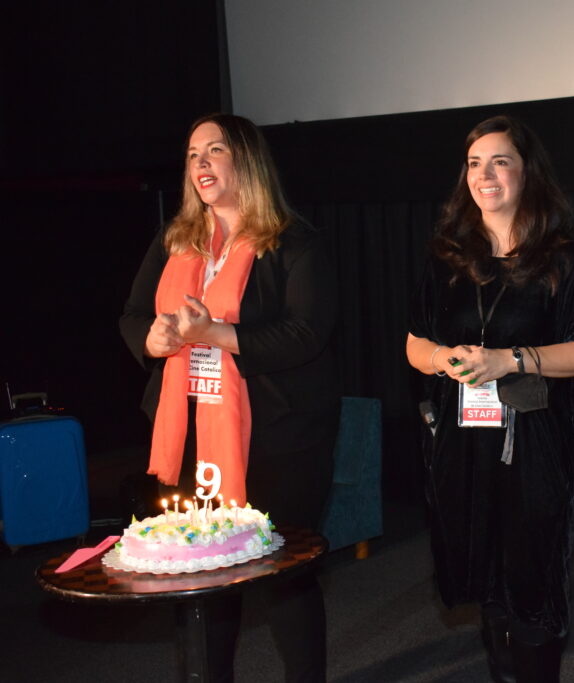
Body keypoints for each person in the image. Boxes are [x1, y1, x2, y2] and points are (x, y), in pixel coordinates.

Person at [120, 113, 339, 682]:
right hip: (191, 435)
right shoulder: (176, 240)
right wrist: (156, 336)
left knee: (283, 576)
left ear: (248, 162)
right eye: (193, 154)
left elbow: (307, 333)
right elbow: (134, 316)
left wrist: (212, 333)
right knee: (204, 578)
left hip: (278, 438)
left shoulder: (295, 240)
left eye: (215, 150)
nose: (200, 164)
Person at [406, 115, 574, 682]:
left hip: (537, 439)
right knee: (483, 573)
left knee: (531, 578)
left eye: (500, 161)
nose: (485, 174)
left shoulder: (560, 257)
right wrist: (443, 360)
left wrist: (509, 360)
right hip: (462, 436)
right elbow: (414, 343)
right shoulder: (447, 257)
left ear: (527, 173)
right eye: (475, 163)